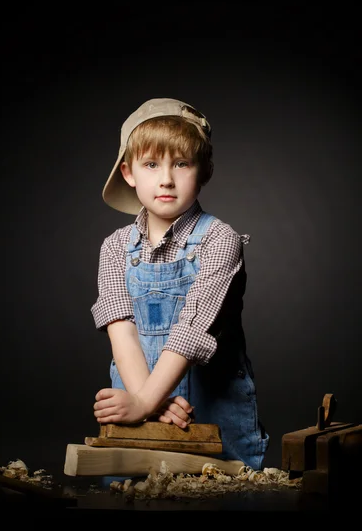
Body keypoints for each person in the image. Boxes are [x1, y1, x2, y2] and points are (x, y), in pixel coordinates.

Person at [91, 97, 269, 472]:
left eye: (182, 163)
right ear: (128, 173)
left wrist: (144, 401)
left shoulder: (220, 240)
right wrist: (147, 404)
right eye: (152, 164)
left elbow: (192, 328)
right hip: (141, 416)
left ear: (204, 170)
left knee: (222, 505)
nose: (166, 178)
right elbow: (121, 330)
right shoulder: (114, 248)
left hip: (214, 416)